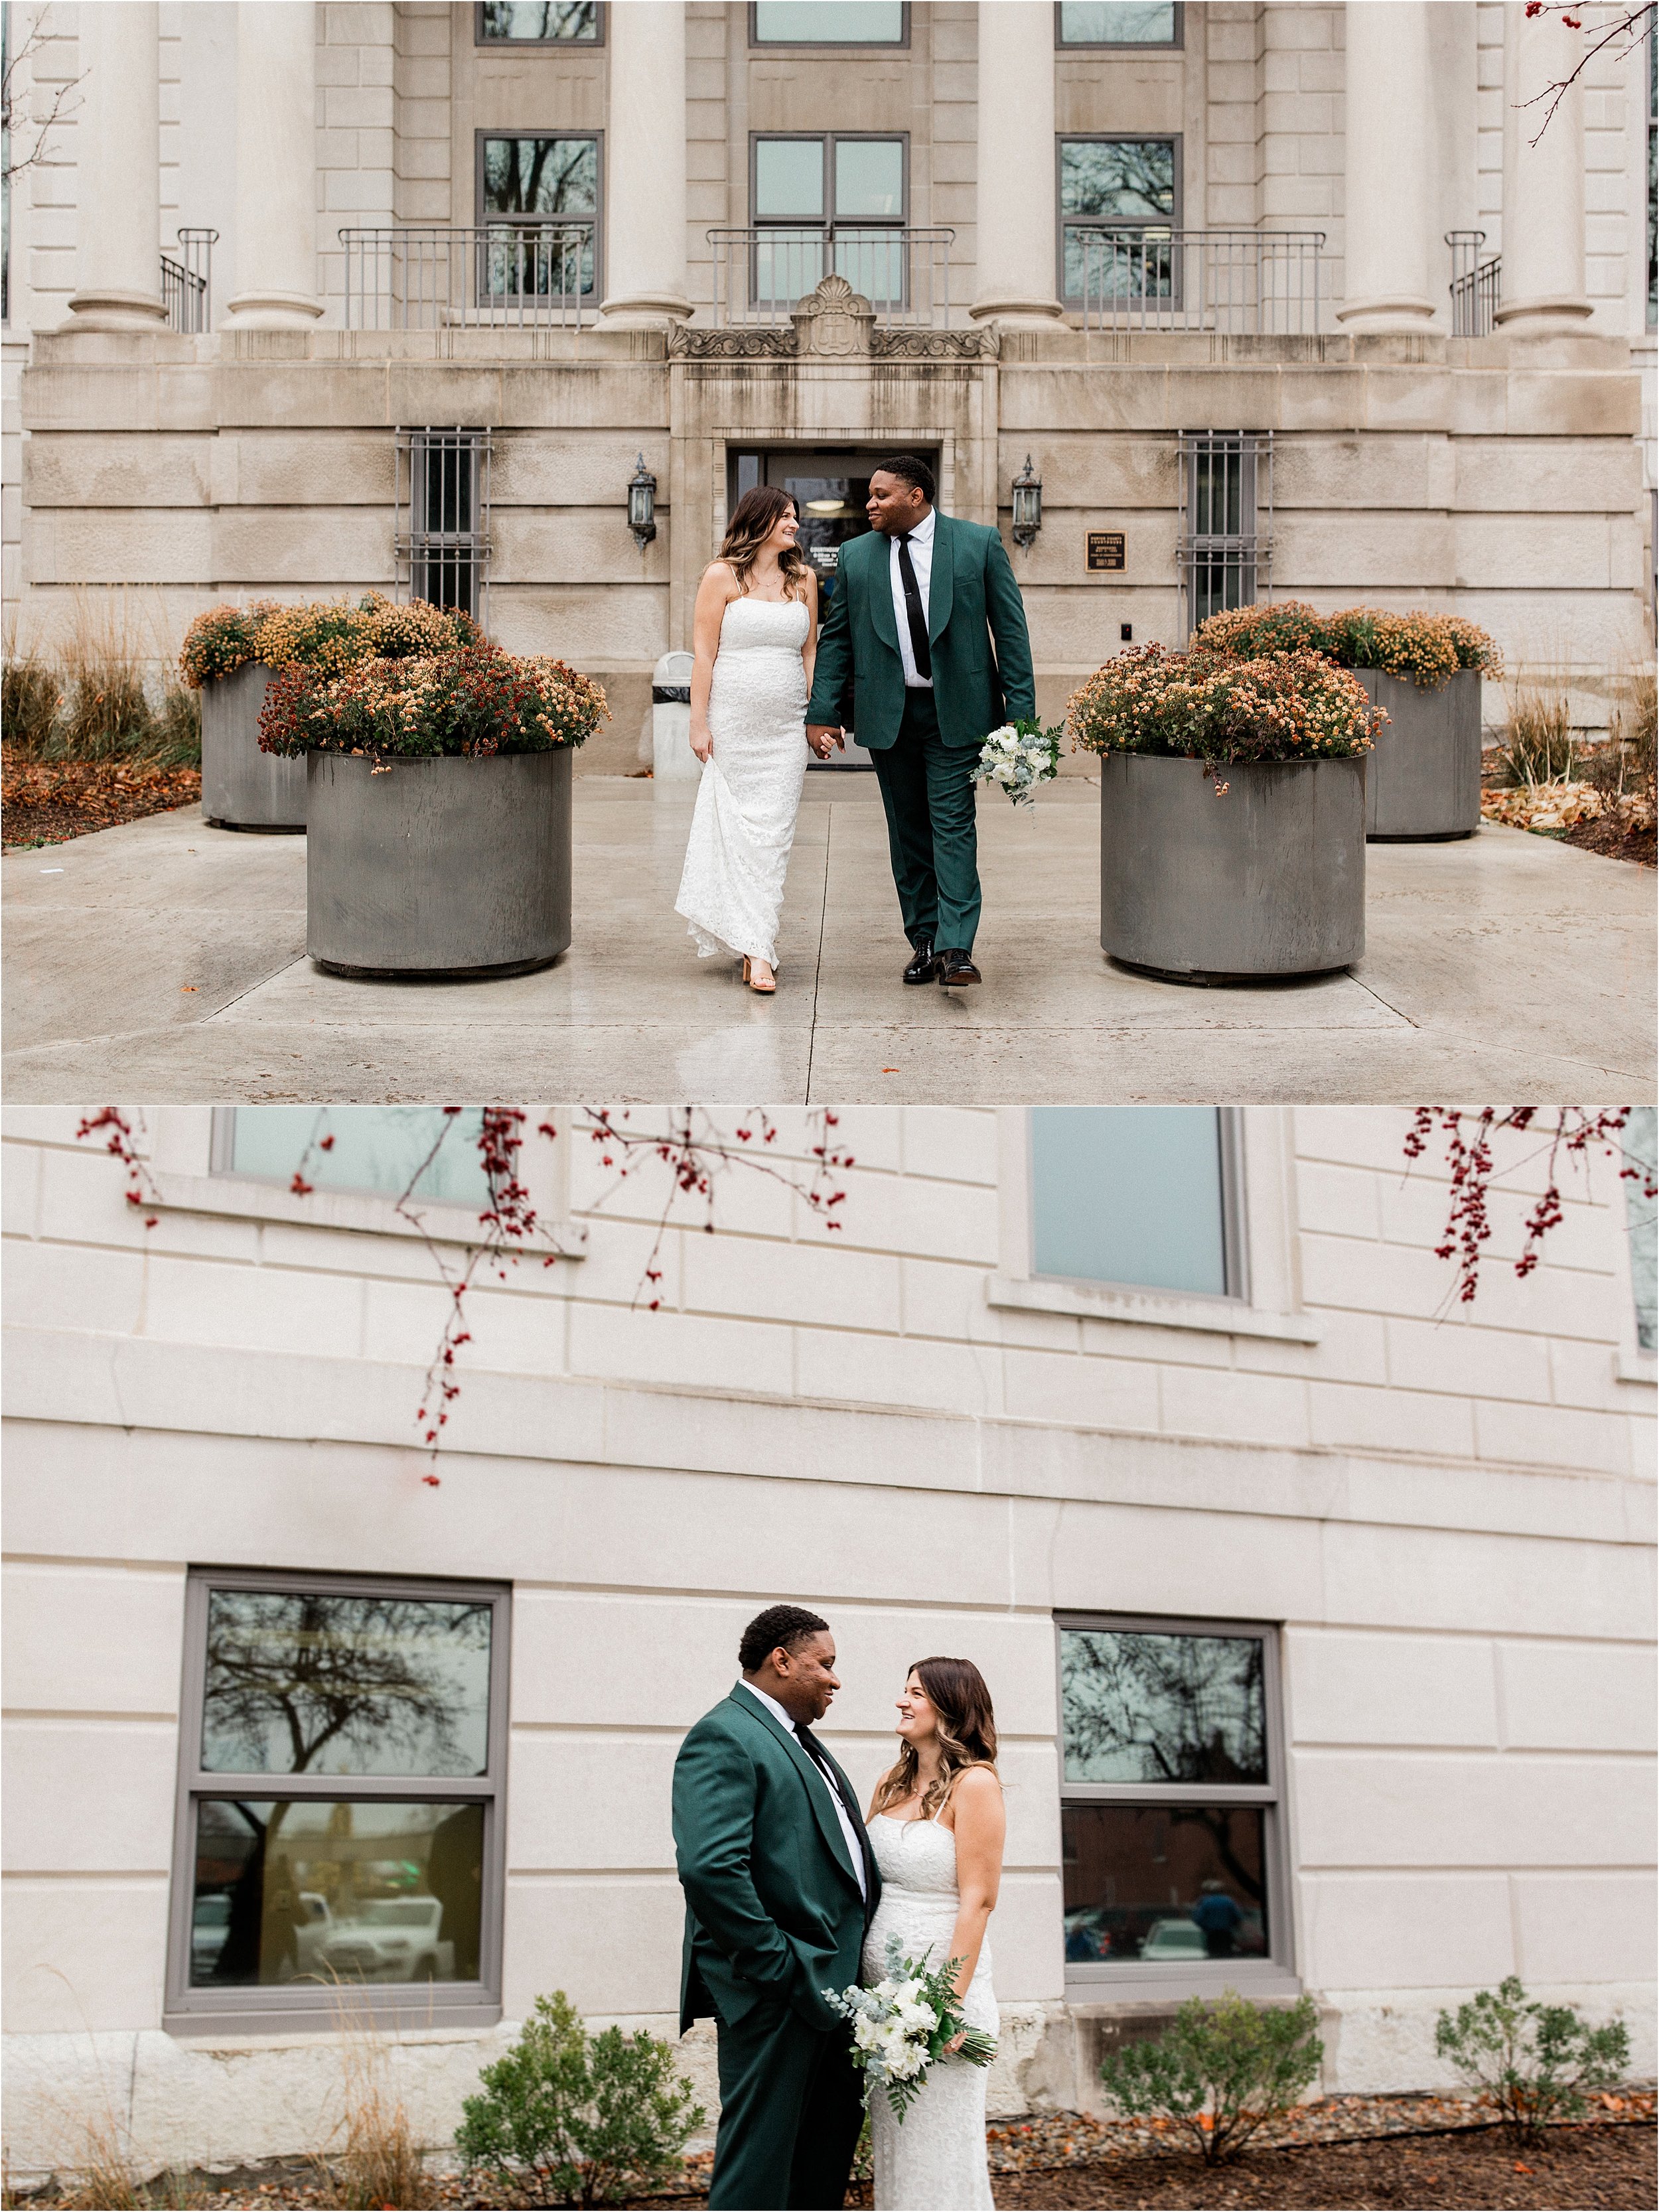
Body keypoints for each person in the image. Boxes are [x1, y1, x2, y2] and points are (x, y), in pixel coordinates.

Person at [672, 1604, 879, 2210]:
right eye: (827, 1665)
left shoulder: (798, 1740)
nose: (836, 1681)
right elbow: (711, 1869)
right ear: (781, 1660)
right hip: (781, 1994)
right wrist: (782, 1970)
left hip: (832, 1993)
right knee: (757, 2177)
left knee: (817, 2168)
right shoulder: (724, 1734)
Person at [805, 453, 1036, 991]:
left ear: (916, 496)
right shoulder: (857, 555)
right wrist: (821, 712)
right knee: (908, 833)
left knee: (953, 827)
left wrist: (1020, 722)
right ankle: (925, 940)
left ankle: (957, 948)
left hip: (958, 711)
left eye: (882, 495)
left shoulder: (977, 544)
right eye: (870, 495)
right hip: (889, 714)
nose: (871, 503)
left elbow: (1012, 634)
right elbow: (837, 639)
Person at [863, 1657, 1004, 2211]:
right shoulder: (889, 1782)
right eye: (904, 1691)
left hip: (942, 2005)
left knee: (941, 2153)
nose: (902, 1701)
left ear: (950, 1706)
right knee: (898, 2152)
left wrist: (944, 2004)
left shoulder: (976, 1785)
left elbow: (979, 1900)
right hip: (881, 2009)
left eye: (916, 1693)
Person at [676, 488, 829, 995]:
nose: (795, 526)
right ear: (759, 520)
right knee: (738, 835)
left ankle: (757, 943)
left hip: (784, 729)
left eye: (796, 517)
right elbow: (704, 655)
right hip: (734, 725)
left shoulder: (804, 579)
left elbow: (810, 654)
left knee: (773, 840)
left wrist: (818, 716)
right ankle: (756, 949)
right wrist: (699, 724)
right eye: (786, 517)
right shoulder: (721, 576)